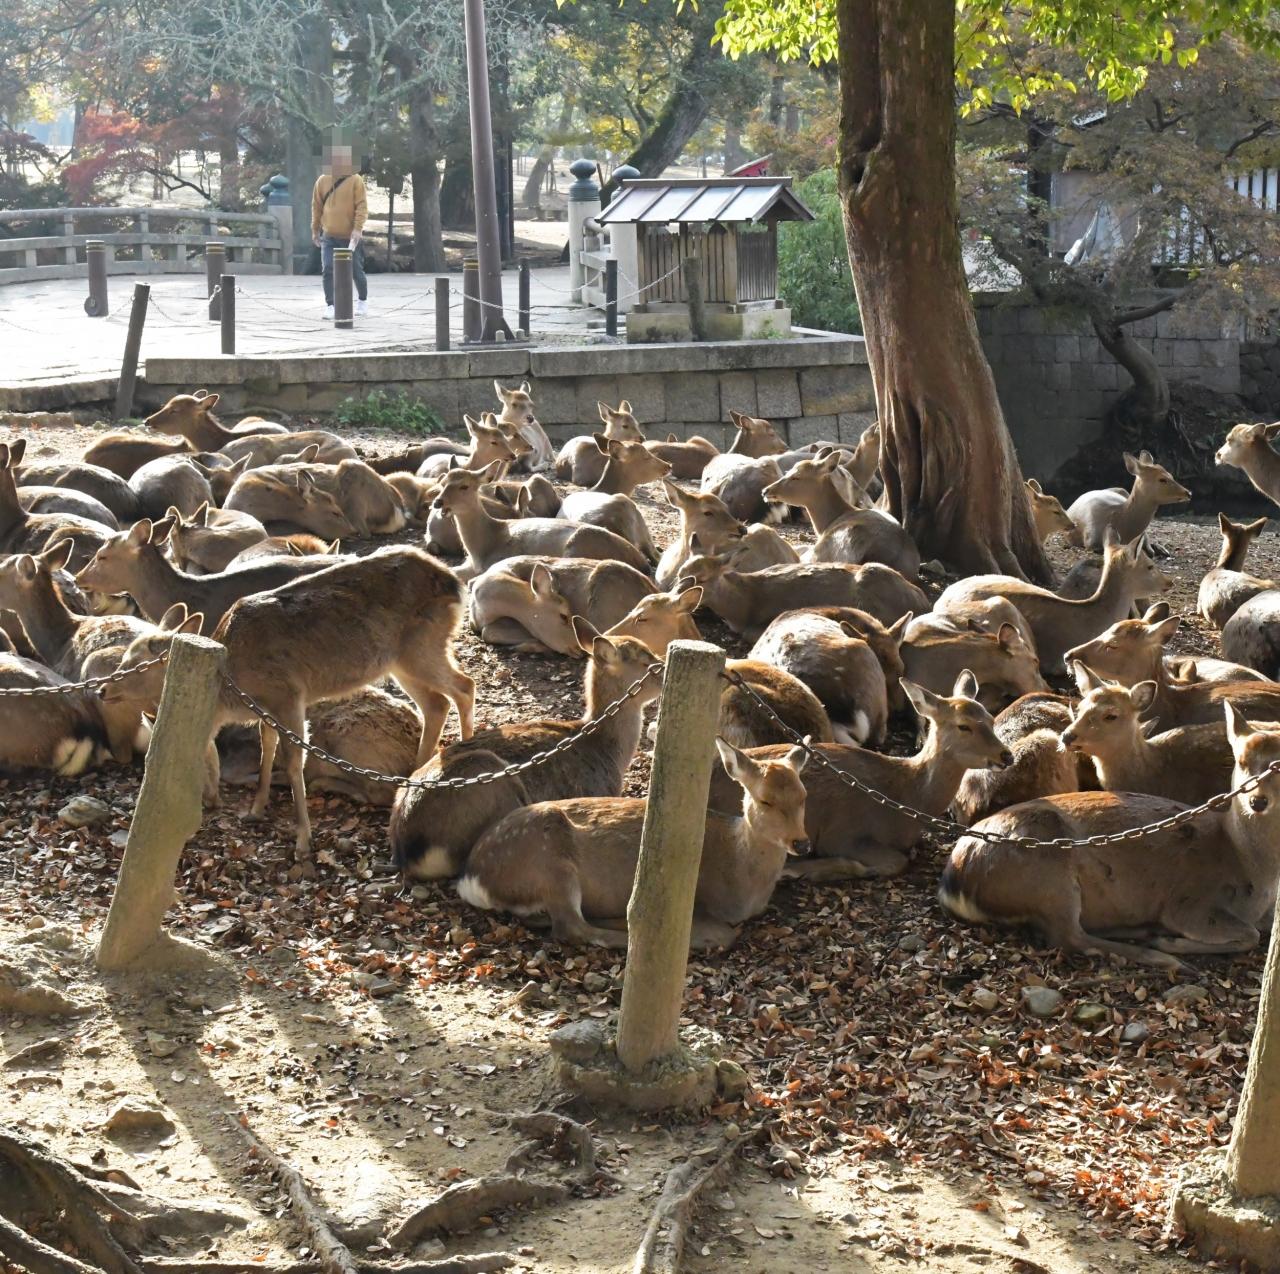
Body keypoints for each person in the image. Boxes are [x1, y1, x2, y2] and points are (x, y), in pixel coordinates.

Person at [311, 139, 368, 319]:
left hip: (350, 236)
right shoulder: (322, 181)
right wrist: (315, 229)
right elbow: (316, 207)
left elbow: (361, 206)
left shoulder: (356, 180)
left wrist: (358, 228)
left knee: (356, 271)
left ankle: (362, 300)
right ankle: (330, 305)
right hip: (329, 235)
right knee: (328, 268)